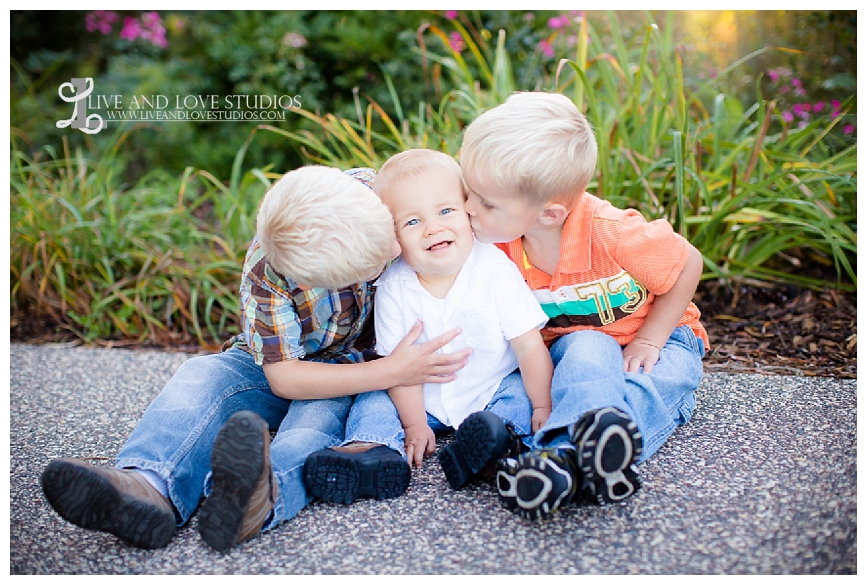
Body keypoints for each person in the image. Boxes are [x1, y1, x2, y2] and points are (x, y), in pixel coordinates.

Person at [39, 166, 471, 552]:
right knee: (203, 376)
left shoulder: (384, 191)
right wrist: (392, 369)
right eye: (373, 266)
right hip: (284, 362)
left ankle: (259, 498)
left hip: (355, 366)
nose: (395, 255)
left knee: (315, 420)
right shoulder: (270, 270)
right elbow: (284, 378)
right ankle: (147, 486)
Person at [459, 91, 710, 520]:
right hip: (570, 349)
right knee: (536, 384)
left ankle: (563, 458)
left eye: (485, 203)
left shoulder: (611, 232)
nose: (467, 209)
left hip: (655, 339)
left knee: (656, 384)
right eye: (468, 193)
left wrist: (651, 340)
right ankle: (550, 453)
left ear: (549, 214)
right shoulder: (496, 244)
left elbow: (689, 262)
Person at [368, 148, 554, 491]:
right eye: (412, 221)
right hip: (422, 401)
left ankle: (492, 445)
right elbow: (396, 367)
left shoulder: (494, 269)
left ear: (468, 212)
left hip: (489, 388)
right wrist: (414, 424)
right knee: (371, 401)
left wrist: (543, 404)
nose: (432, 228)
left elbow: (528, 346)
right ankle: (372, 451)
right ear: (393, 239)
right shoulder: (393, 286)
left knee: (517, 397)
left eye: (446, 211)